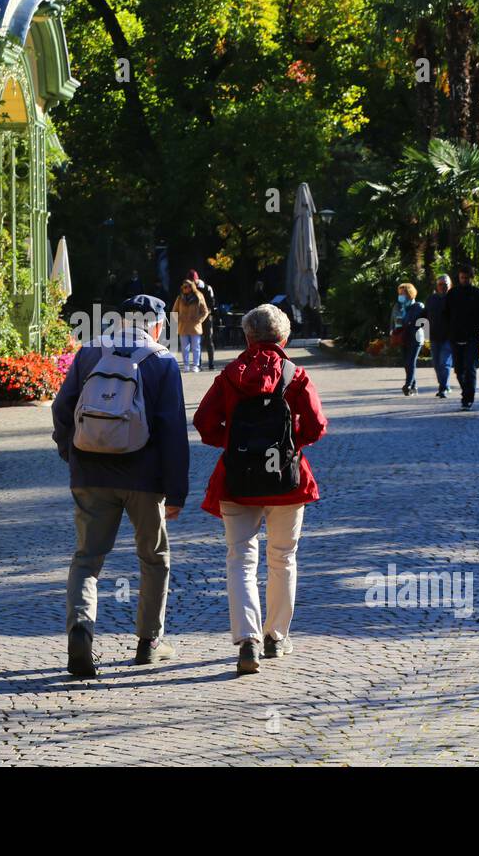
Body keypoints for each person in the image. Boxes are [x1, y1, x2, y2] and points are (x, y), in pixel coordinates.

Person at [51, 294, 189, 678]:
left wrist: (74, 457)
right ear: (158, 324)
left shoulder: (90, 353)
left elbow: (62, 411)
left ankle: (81, 629)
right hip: (145, 479)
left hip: (91, 475)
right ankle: (149, 643)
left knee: (86, 560)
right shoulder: (162, 361)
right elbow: (174, 432)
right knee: (153, 558)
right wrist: (176, 491)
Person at [193, 304, 327, 675]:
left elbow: (204, 422)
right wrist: (289, 447)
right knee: (283, 558)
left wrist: (233, 443)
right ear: (284, 338)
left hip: (238, 479)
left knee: (241, 559)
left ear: (247, 337)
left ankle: (247, 640)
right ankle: (276, 636)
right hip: (287, 481)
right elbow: (316, 425)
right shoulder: (295, 375)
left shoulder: (230, 375)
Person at [442, 264, 479, 411]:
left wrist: (477, 326)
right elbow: (445, 313)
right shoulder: (453, 294)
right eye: (461, 278)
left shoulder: (478, 294)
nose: (463, 280)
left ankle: (468, 398)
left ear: (471, 278)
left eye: (466, 278)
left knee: (470, 367)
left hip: (471, 336)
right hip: (455, 335)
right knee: (458, 369)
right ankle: (466, 390)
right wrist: (449, 328)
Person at [390, 282, 426, 396]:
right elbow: (392, 320)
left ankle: (408, 385)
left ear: (410, 293)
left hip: (415, 337)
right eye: (399, 293)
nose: (401, 295)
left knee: (411, 361)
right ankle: (414, 386)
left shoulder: (418, 306)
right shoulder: (397, 306)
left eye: (403, 293)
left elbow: (420, 322)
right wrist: (392, 331)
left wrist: (407, 323)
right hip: (402, 337)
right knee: (406, 362)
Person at [424, 274, 454, 398]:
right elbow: (425, 315)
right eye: (440, 284)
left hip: (449, 337)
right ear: (437, 286)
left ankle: (443, 388)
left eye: (445, 284)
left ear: (450, 285)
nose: (443, 287)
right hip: (434, 337)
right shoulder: (431, 299)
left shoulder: (454, 299)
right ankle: (444, 385)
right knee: (436, 364)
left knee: (444, 362)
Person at [173, 278, 210, 373]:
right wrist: (178, 319)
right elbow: (174, 311)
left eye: (188, 286)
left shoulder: (198, 296)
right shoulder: (180, 298)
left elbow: (205, 311)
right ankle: (186, 365)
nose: (186, 288)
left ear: (192, 287)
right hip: (183, 326)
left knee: (196, 347)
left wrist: (199, 319)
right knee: (184, 347)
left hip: (195, 326)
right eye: (184, 287)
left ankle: (195, 365)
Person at [184, 268, 218, 371]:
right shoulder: (188, 289)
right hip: (195, 319)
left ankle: (211, 363)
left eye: (193, 281)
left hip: (206, 317)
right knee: (196, 342)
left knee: (208, 340)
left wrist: (207, 311)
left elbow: (212, 302)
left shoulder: (207, 288)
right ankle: (198, 364)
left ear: (196, 279)